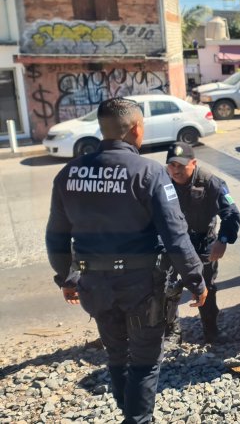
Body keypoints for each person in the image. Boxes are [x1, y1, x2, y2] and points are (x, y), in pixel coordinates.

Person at [45, 97, 207, 424]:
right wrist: (196, 279)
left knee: (117, 355)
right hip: (142, 287)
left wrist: (66, 278)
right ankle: (137, 420)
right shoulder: (148, 172)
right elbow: (176, 236)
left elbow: (56, 237)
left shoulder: (68, 174)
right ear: (136, 128)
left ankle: (129, 414)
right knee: (146, 361)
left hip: (94, 286)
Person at [164, 142, 240, 344]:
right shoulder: (163, 183)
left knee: (206, 287)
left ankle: (211, 330)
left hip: (203, 242)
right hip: (174, 243)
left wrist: (223, 240)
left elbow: (232, 213)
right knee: (170, 287)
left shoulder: (210, 182)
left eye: (181, 165)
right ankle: (172, 333)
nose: (176, 170)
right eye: (172, 165)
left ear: (194, 163)